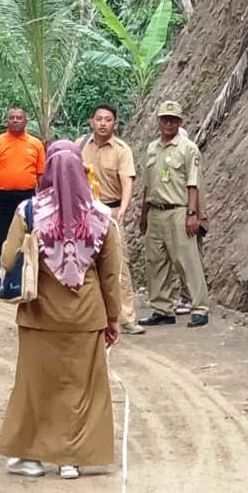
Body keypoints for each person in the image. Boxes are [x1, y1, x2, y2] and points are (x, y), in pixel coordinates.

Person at [0, 145, 121, 480]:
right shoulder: (100, 214)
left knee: (36, 387)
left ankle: (33, 458)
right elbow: (110, 275)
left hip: (40, 315)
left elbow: (8, 260)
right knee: (80, 388)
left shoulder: (29, 211)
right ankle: (72, 459)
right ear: (82, 171)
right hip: (86, 315)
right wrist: (112, 318)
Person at [138, 101, 210, 328]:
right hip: (156, 212)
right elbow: (147, 185)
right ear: (158, 121)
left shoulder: (188, 148)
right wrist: (143, 214)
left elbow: (193, 184)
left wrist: (192, 214)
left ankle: (199, 308)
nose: (168, 123)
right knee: (156, 262)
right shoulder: (152, 148)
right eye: (164, 118)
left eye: (173, 119)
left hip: (178, 210)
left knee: (187, 261)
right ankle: (162, 309)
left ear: (180, 122)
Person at [79, 104, 144, 335]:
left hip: (111, 211)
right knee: (84, 262)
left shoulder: (122, 150)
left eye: (108, 119)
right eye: (99, 119)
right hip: (85, 213)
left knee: (118, 265)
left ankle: (126, 317)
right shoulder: (81, 145)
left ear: (115, 123)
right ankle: (89, 315)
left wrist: (122, 210)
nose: (103, 123)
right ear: (91, 121)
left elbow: (127, 181)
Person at [0, 107, 46, 295]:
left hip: (27, 197)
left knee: (27, 238)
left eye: (19, 117)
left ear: (25, 121)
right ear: (7, 121)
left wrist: (45, 198)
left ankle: (23, 279)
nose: (15, 120)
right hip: (0, 197)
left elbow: (41, 175)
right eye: (12, 118)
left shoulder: (36, 144)